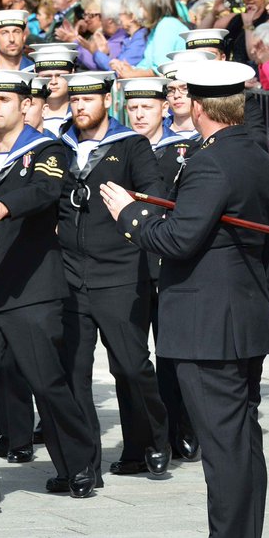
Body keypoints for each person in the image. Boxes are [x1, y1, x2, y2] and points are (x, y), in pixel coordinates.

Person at [100, 60, 269, 538]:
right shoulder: (255, 154)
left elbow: (179, 241)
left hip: (209, 325)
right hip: (239, 317)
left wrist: (131, 216)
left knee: (225, 450)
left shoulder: (212, 161)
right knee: (240, 445)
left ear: (199, 107)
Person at [0, 69, 98, 500]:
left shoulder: (46, 149)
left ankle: (78, 465)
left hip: (31, 289)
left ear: (25, 105)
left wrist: (5, 204)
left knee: (47, 382)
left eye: (4, 99)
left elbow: (45, 190)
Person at [57, 72, 169, 484]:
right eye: (74, 100)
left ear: (107, 100)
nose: (80, 107)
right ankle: (85, 464)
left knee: (130, 366)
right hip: (70, 274)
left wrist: (130, 210)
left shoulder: (130, 145)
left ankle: (151, 441)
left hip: (120, 272)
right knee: (74, 372)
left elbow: (155, 197)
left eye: (88, 99)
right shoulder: (59, 146)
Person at [112, 0, 188, 78]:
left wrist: (132, 74)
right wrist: (128, 68)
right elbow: (147, 64)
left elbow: (160, 69)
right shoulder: (155, 29)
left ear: (152, 6)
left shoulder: (167, 25)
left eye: (143, 5)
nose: (140, 9)